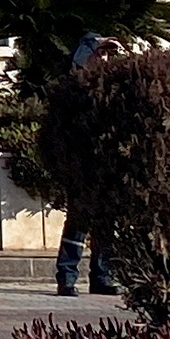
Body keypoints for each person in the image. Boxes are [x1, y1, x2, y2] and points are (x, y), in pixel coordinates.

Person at [53, 31, 116, 296]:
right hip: (81, 164)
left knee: (106, 222)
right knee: (78, 222)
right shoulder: (74, 87)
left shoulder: (112, 87)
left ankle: (102, 277)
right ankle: (67, 277)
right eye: (99, 52)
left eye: (107, 53)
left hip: (107, 163)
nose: (104, 58)